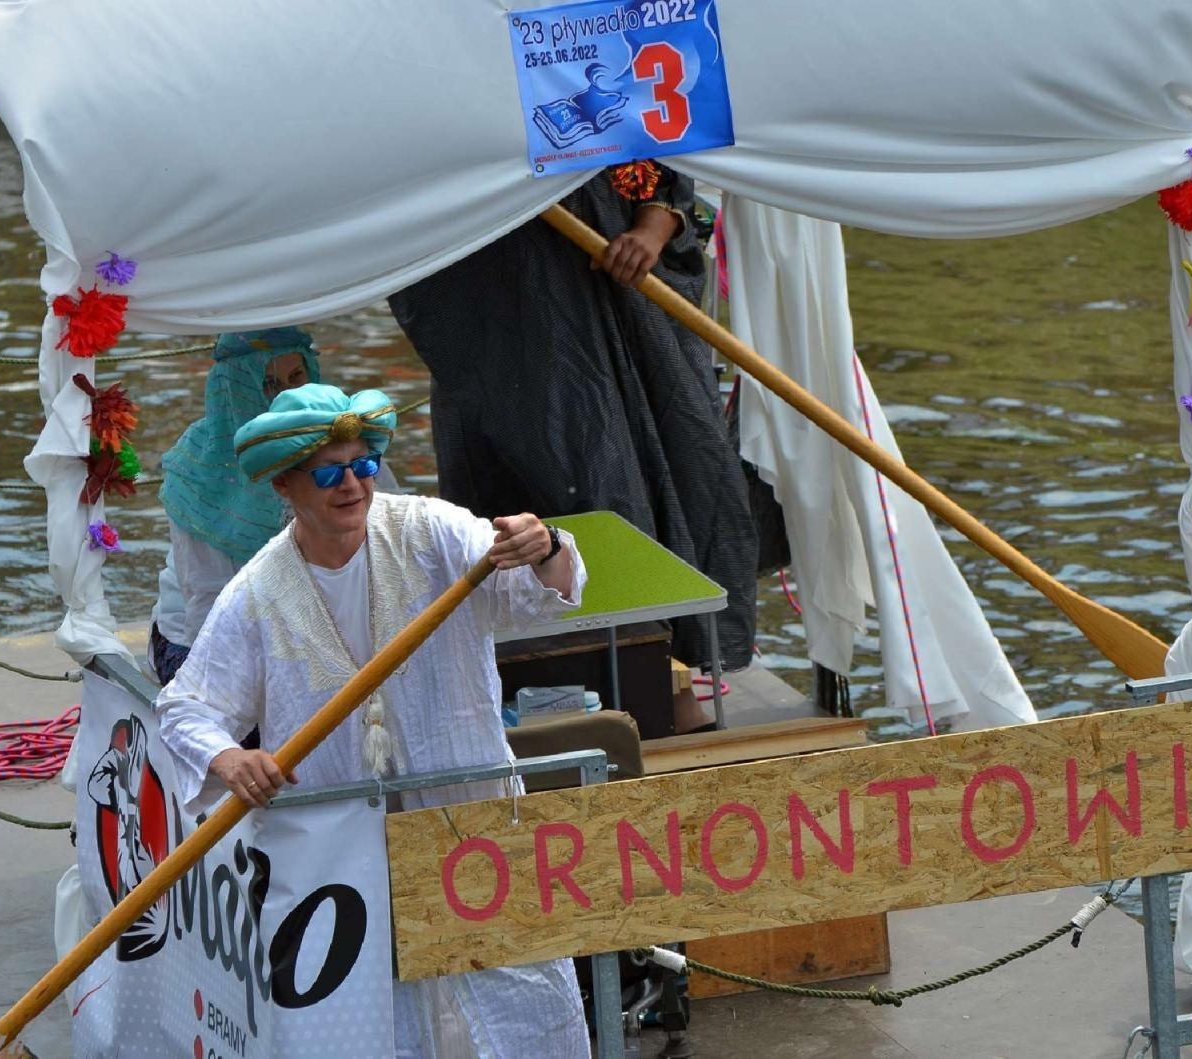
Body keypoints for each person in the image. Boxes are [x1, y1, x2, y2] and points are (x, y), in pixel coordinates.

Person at [156, 383, 591, 1057]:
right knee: (380, 1019)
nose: (351, 484)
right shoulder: (258, 592)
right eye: (328, 471)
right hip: (343, 854)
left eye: (362, 464)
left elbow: (536, 594)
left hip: (467, 817)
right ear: (285, 484)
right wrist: (229, 757)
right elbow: (187, 706)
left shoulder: (431, 530)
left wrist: (545, 544)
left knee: (523, 1001)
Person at [388, 161, 757, 675]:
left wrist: (653, 228)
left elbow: (661, 148)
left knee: (693, 466)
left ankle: (673, 668)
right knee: (579, 479)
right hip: (512, 299)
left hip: (632, 294)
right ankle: (579, 674)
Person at [149, 327, 321, 685]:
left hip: (311, 630)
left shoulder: (341, 442)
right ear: (235, 387)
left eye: (297, 377)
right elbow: (206, 600)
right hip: (200, 640)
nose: (288, 397)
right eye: (269, 384)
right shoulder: (201, 465)